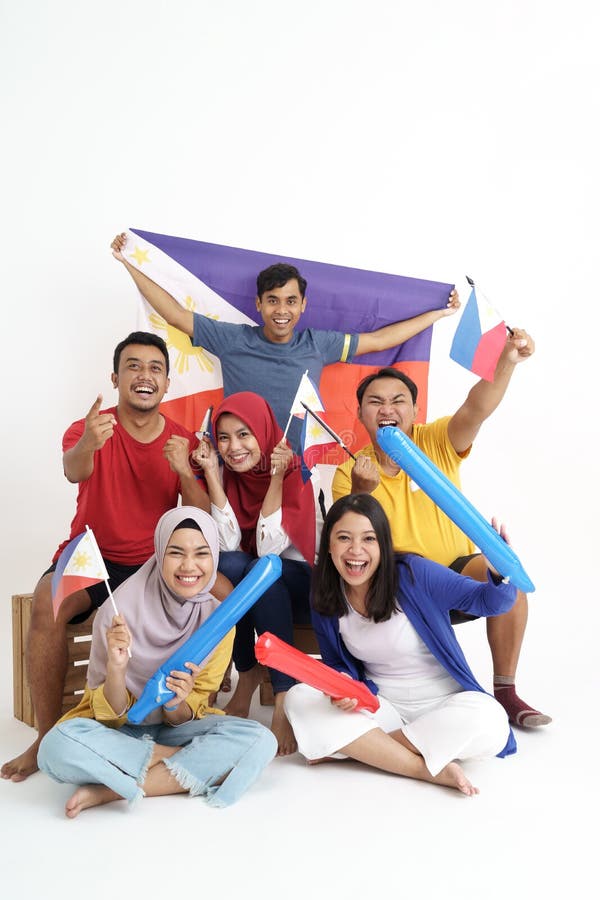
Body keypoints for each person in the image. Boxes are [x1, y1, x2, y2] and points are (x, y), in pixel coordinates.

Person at [1, 331, 226, 783]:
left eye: (155, 368)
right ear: (117, 377)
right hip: (92, 554)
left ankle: (196, 709)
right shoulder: (90, 427)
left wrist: (185, 469)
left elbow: (201, 521)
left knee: (228, 595)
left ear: (166, 384)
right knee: (47, 601)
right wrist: (88, 442)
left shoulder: (182, 440)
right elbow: (73, 470)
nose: (145, 375)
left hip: (154, 563)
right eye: (134, 366)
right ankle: (47, 737)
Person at [331, 332, 551, 728]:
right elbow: (349, 543)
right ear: (361, 413)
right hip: (400, 589)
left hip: (457, 576)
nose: (387, 408)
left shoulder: (435, 440)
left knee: (507, 574)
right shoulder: (350, 470)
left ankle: (506, 692)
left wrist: (507, 360)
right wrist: (362, 493)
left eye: (398, 401)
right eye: (375, 402)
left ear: (415, 410)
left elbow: (477, 407)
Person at [110, 231, 460, 451]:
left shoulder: (317, 344)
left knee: (293, 562)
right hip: (236, 462)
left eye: (291, 301)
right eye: (273, 300)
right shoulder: (233, 339)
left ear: (303, 306)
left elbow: (380, 338)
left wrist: (436, 315)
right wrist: (128, 263)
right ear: (259, 304)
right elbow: (174, 314)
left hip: (293, 467)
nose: (282, 310)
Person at [37, 507, 277, 816]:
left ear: (214, 559)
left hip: (174, 729)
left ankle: (111, 790)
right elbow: (109, 719)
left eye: (201, 553)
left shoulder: (218, 621)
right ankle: (181, 760)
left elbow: (190, 714)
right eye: (176, 553)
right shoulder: (118, 613)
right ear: (160, 553)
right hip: (118, 732)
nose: (189, 566)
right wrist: (117, 668)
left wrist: (176, 703)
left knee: (260, 740)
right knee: (55, 748)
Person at [285, 494, 516, 795]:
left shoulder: (413, 573)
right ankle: (423, 768)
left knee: (491, 720)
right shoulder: (325, 592)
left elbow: (487, 601)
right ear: (328, 546)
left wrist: (499, 572)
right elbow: (338, 664)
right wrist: (343, 685)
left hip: (445, 703)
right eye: (344, 538)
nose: (356, 550)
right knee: (298, 697)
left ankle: (365, 749)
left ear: (383, 544)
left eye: (368, 538)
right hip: (382, 705)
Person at [192, 392, 317, 756]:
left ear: (263, 433)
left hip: (299, 584)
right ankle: (246, 674)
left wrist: (277, 478)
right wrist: (214, 476)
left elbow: (269, 549)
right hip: (258, 584)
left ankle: (282, 697)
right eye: (225, 437)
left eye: (244, 434)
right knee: (231, 566)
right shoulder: (228, 473)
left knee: (261, 570)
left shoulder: (295, 470)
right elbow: (226, 542)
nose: (234, 447)